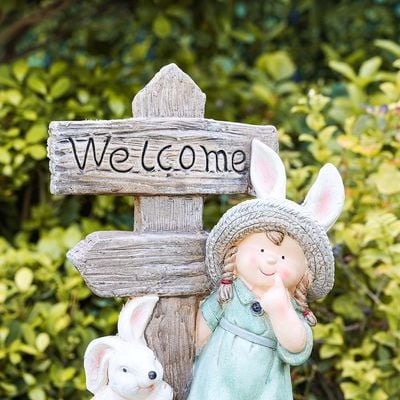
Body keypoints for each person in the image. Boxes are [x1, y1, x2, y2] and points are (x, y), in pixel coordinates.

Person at [187, 139, 345, 400]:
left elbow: (297, 349)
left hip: (267, 385)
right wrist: (193, 346)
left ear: (303, 272)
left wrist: (282, 311)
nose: (271, 260)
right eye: (261, 250)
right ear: (236, 250)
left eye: (284, 257)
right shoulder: (230, 293)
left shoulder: (289, 305)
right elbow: (200, 330)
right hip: (217, 377)